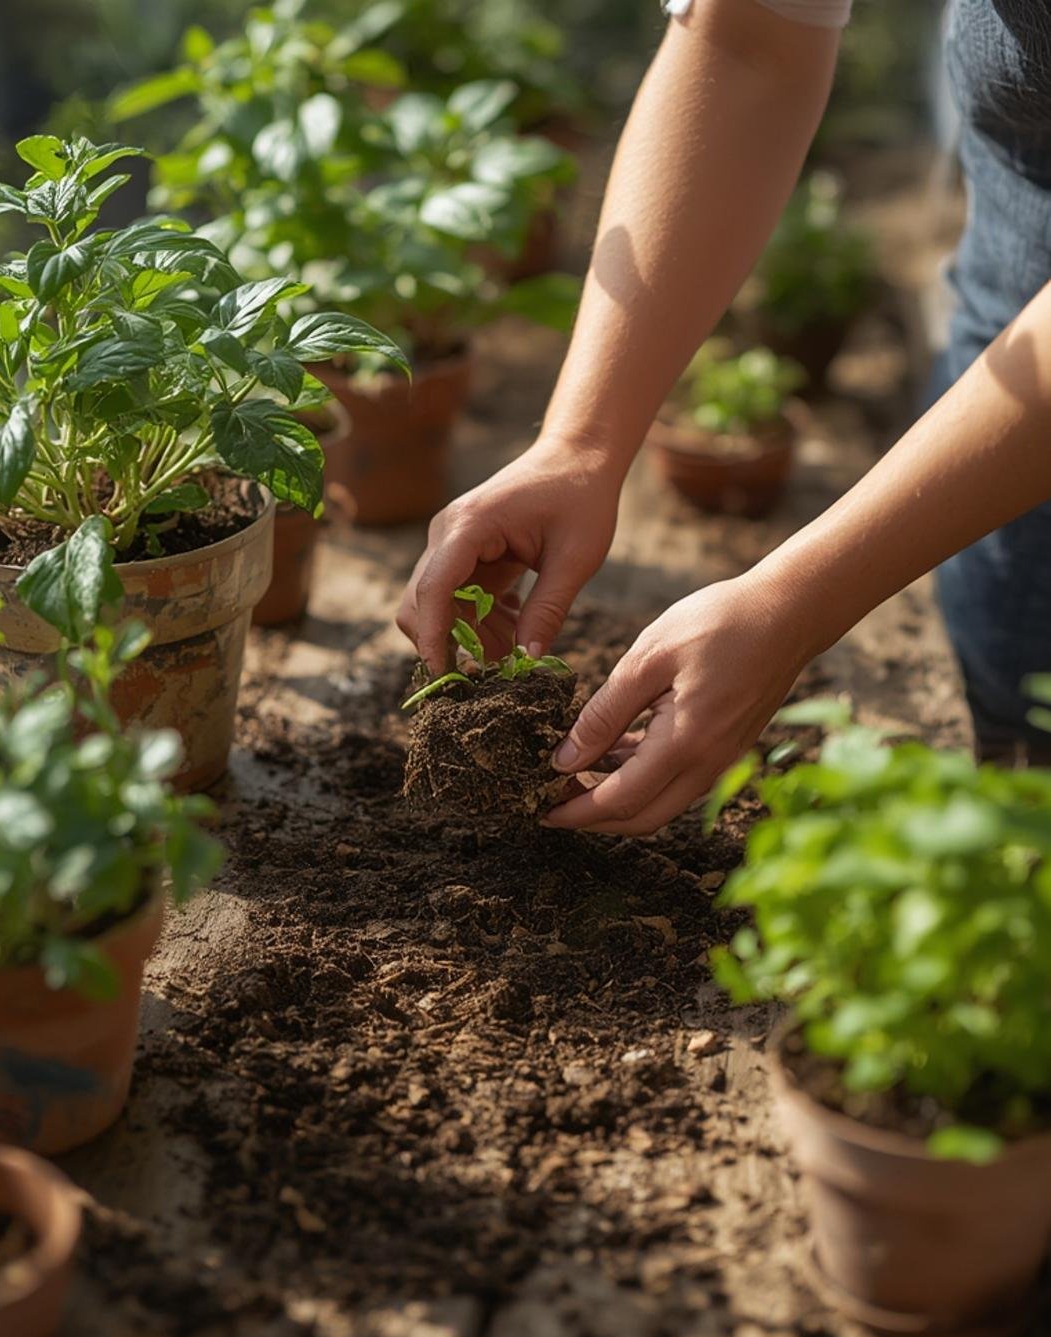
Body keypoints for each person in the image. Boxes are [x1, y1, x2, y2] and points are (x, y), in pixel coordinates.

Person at [397, 0, 1051, 836]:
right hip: (1016, 294)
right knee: (1004, 685)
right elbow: (750, 44)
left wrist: (793, 603)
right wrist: (578, 443)